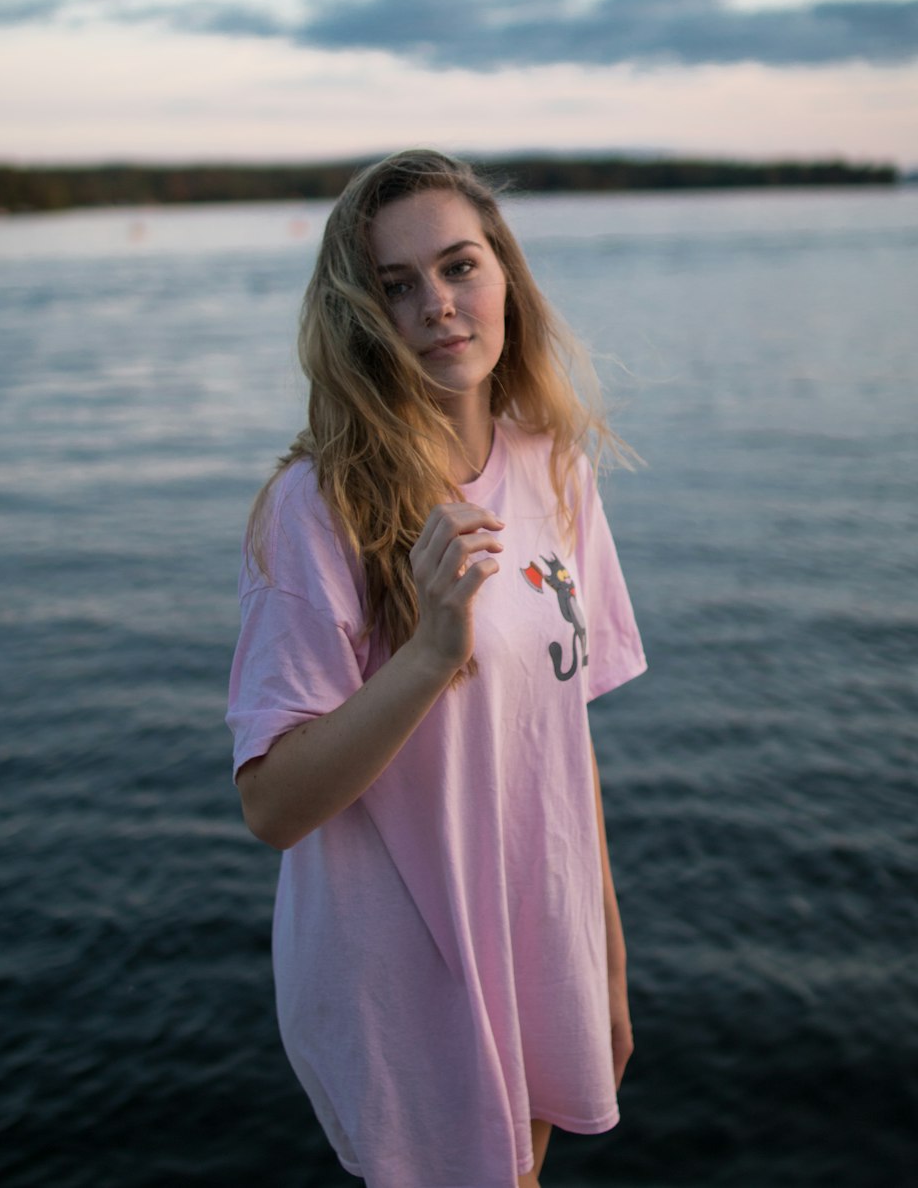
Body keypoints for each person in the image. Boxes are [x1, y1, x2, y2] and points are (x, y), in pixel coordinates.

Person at [227, 149, 647, 1188]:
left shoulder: (554, 465)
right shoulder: (318, 506)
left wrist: (605, 952)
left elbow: (563, 737)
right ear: (360, 315)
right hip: (401, 966)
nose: (437, 306)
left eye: (459, 267)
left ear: (504, 273)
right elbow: (272, 806)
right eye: (396, 285)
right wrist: (427, 654)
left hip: (536, 933)